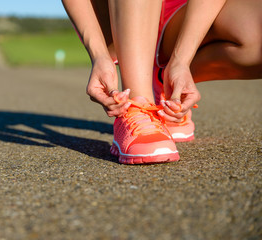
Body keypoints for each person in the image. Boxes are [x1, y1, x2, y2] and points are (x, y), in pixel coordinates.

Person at [62, 0, 262, 164]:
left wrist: (181, 60)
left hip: (178, 13)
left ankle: (164, 80)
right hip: (117, 14)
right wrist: (99, 55)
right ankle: (139, 103)